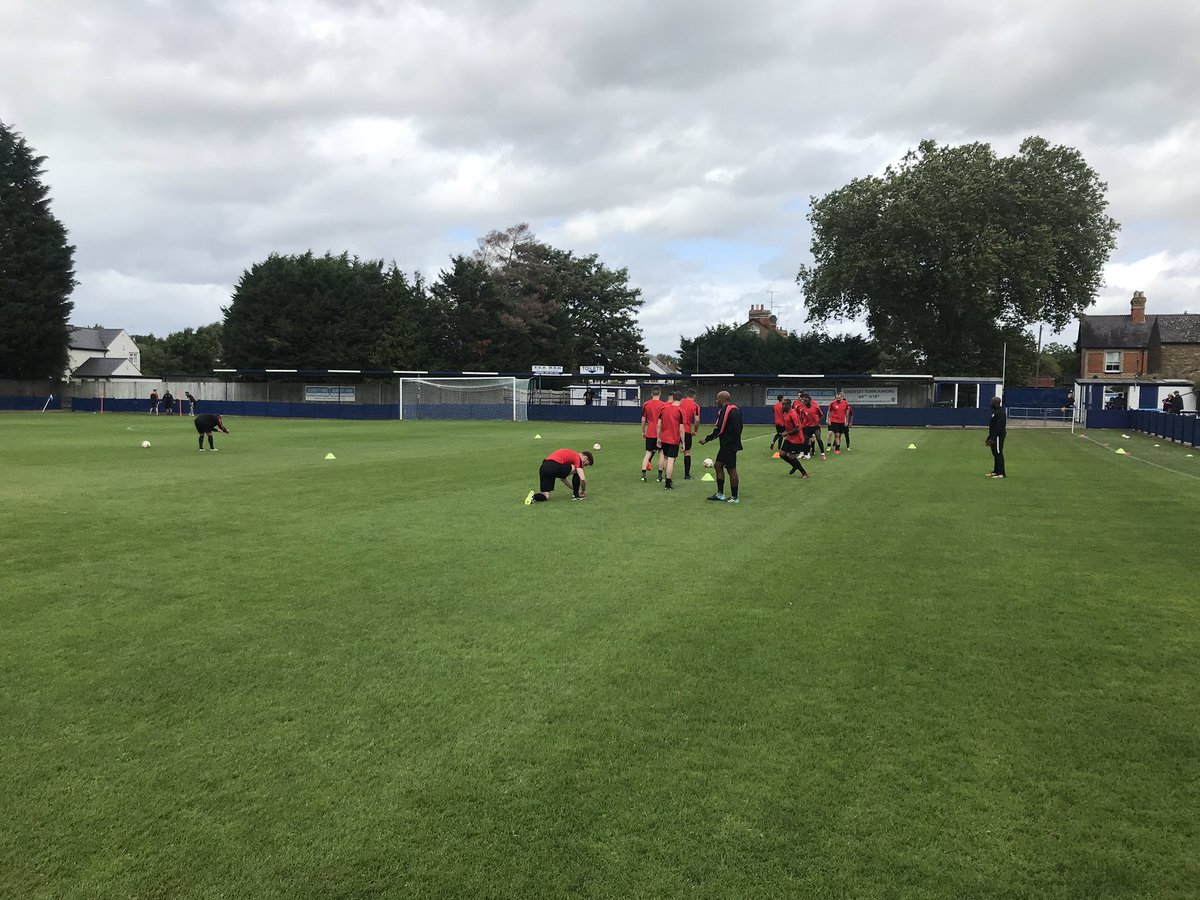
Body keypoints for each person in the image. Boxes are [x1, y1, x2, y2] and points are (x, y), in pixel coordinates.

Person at [698, 390, 743, 503]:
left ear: (723, 399)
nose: (716, 401)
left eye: (717, 399)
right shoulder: (736, 409)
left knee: (731, 469)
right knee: (718, 465)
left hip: (728, 445)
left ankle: (734, 497)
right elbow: (740, 427)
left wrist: (707, 439)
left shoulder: (726, 410)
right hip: (730, 444)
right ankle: (720, 494)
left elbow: (720, 429)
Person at [526, 448, 593, 503]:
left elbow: (563, 479)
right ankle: (576, 496)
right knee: (577, 470)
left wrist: (577, 490)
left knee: (546, 496)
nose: (583, 466)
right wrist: (583, 491)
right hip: (553, 466)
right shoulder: (577, 457)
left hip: (544, 468)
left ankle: (533, 497)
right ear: (585, 458)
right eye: (585, 464)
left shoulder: (568, 459)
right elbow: (582, 478)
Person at [657, 392, 684, 489]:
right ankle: (668, 482)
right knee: (671, 461)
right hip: (674, 439)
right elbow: (681, 429)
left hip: (664, 438)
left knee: (665, 458)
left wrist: (659, 437)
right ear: (681, 399)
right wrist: (683, 442)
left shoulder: (664, 408)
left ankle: (665, 477)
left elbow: (659, 425)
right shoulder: (680, 411)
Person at [777, 400, 810, 478]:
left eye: (784, 405)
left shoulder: (793, 414)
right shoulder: (785, 414)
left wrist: (787, 433)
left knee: (792, 457)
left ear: (788, 405)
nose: (782, 407)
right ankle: (795, 465)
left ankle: (804, 473)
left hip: (797, 439)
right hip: (789, 438)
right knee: (782, 454)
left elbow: (798, 428)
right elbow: (789, 427)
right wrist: (785, 432)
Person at [640, 386, 666, 482]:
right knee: (661, 453)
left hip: (650, 431)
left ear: (652, 394)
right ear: (660, 394)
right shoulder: (663, 405)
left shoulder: (646, 404)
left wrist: (643, 432)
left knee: (648, 453)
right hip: (660, 433)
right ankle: (659, 476)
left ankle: (643, 475)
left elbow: (643, 420)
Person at [680, 388, 701, 480]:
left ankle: (667, 474)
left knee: (671, 453)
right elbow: (696, 420)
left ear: (686, 395)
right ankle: (687, 475)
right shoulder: (695, 406)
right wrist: (695, 430)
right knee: (687, 452)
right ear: (694, 396)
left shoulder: (680, 402)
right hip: (686, 430)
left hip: (675, 429)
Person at [800, 393, 827, 460]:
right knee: (806, 440)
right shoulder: (803, 409)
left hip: (816, 426)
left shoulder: (816, 407)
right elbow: (801, 418)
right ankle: (807, 454)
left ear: (810, 400)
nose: (805, 402)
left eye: (807, 401)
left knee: (818, 438)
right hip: (808, 427)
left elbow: (821, 415)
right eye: (804, 401)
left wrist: (818, 422)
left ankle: (823, 454)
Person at [986, 396, 1006, 479]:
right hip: (994, 436)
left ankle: (1001, 473)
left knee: (998, 453)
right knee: (995, 453)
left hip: (998, 436)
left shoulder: (1001, 412)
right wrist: (989, 437)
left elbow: (999, 427)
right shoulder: (995, 411)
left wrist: (993, 438)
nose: (990, 404)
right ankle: (996, 471)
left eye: (992, 402)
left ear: (995, 403)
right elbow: (992, 427)